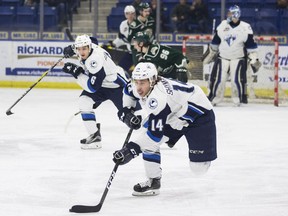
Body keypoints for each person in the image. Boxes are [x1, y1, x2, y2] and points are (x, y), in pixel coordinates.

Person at [113, 62, 217, 196]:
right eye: (137, 82)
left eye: (142, 83)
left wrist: (131, 150)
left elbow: (154, 136)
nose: (138, 87)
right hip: (173, 114)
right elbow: (128, 91)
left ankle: (201, 153)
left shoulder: (158, 98)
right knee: (149, 144)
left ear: (152, 81)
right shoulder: (138, 86)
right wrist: (127, 111)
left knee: (198, 169)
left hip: (198, 115)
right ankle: (153, 181)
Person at [62, 34, 129, 149]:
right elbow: (94, 40)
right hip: (103, 84)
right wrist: (72, 48)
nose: (82, 52)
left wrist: (77, 73)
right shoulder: (91, 45)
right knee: (84, 101)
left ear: (89, 47)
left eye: (84, 49)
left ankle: (163, 132)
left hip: (116, 86)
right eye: (79, 49)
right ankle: (94, 137)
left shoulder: (94, 61)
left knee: (133, 116)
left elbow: (93, 87)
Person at [202, 5, 261, 106]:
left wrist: (254, 59)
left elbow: (251, 46)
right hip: (222, 57)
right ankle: (214, 99)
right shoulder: (222, 25)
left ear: (236, 14)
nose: (228, 15)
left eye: (230, 13)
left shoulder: (245, 27)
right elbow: (215, 42)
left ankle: (237, 99)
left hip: (238, 58)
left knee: (236, 80)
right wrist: (210, 54)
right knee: (219, 80)